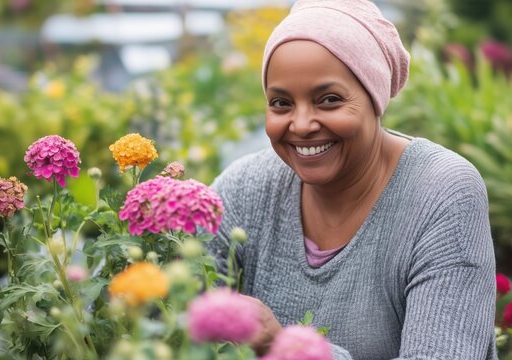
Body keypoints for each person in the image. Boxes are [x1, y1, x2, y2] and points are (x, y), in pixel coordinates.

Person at [207, 0, 497, 358]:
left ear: (375, 99)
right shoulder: (247, 187)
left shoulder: (441, 193)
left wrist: (285, 347)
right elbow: (171, 318)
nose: (300, 125)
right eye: (281, 103)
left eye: (328, 100)